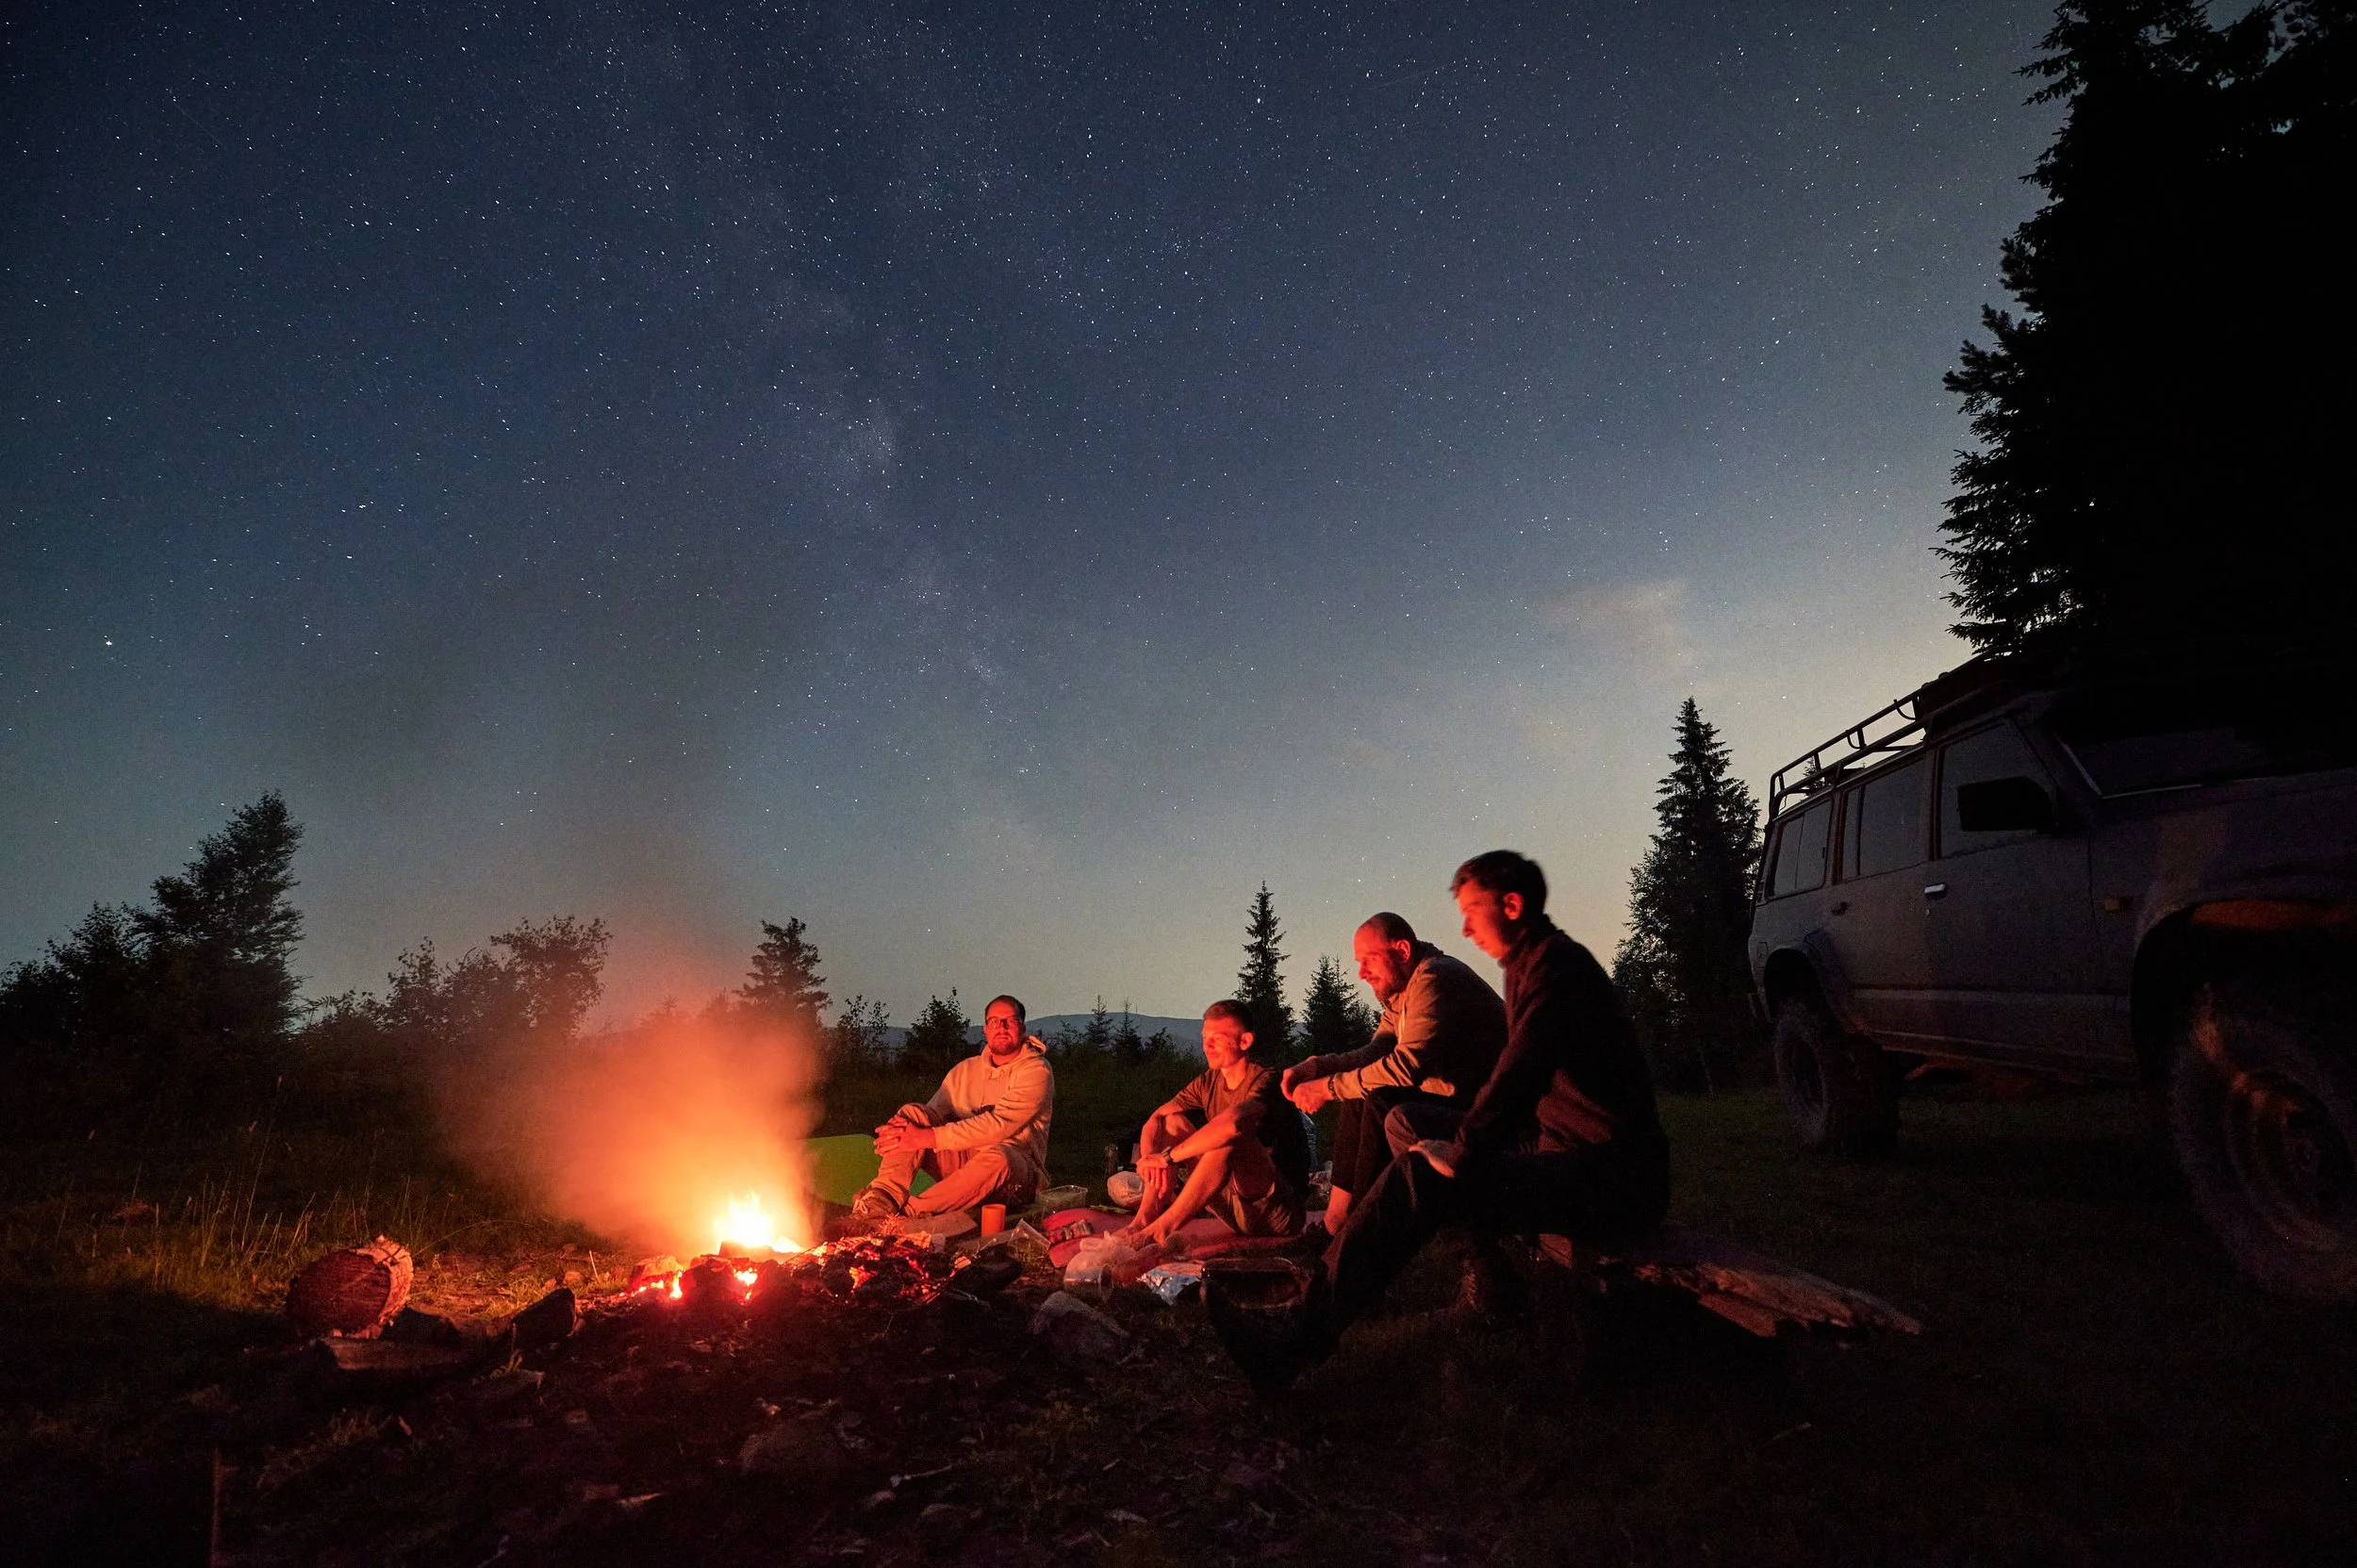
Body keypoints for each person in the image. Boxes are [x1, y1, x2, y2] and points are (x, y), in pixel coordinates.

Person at [1215, 850, 1671, 1392]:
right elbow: (1380, 1052)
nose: (1464, 927)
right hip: (1556, 1147)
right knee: (1410, 1130)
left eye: (1473, 911)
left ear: (1512, 904)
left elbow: (1517, 1074)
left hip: (1610, 1175)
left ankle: (1294, 1339)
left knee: (1421, 1172)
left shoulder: (1555, 971)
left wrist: (1466, 1148)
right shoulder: (1533, 966)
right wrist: (1322, 1067)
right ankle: (1476, 1275)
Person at [1281, 912, 1506, 1231]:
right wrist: (1318, 1066)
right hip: (1456, 1100)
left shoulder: (1435, 979)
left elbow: (1406, 1067)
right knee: (1362, 1093)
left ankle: (1360, 1232)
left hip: (1489, 1111)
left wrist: (1326, 1089)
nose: (1361, 973)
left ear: (1401, 951)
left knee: (1380, 1098)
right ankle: (1337, 1224)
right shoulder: (1402, 993)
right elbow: (1376, 1053)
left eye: (1368, 961)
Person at [1121, 999, 1309, 1247]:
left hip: (1277, 1213)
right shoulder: (1209, 1082)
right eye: (1204, 1037)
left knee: (1228, 1139)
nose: (1207, 1046)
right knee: (1173, 1122)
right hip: (1232, 1204)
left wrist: (1167, 1158)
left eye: (1217, 1038)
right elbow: (1156, 1118)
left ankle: (1161, 1230)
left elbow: (1232, 1126)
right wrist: (1149, 1160)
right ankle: (1143, 1220)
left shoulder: (1266, 1080)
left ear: (1244, 1042)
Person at [851, 994, 1054, 1223]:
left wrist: (925, 1138)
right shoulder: (964, 1071)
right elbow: (929, 1117)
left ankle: (907, 1214)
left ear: (1022, 1027)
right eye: (995, 1021)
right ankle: (881, 1199)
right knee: (913, 1113)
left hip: (1016, 1174)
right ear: (986, 1029)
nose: (1002, 1027)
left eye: (1010, 1020)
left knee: (1000, 1157)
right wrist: (899, 1136)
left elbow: (999, 1125)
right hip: (965, 1163)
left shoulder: (1036, 1071)